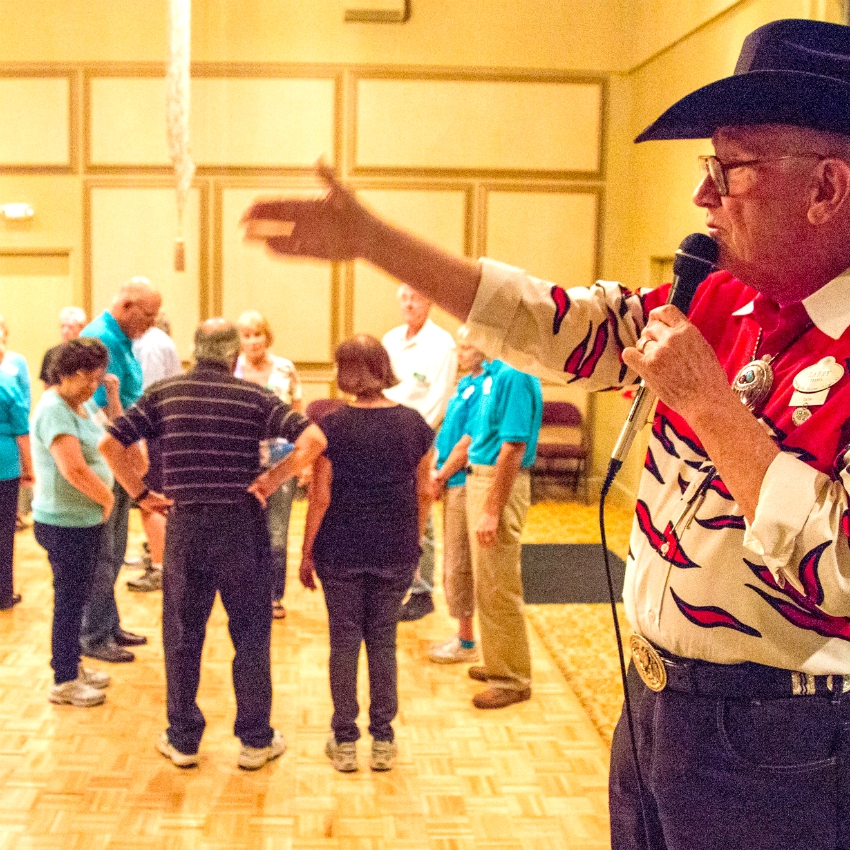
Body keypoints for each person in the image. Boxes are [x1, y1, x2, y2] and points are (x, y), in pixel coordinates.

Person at [242, 19, 850, 847]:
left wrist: (710, 405)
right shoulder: (719, 296)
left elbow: (841, 573)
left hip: (785, 740)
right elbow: (552, 322)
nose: (703, 197)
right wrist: (374, 242)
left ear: (827, 188)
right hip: (656, 705)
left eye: (729, 168)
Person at [99, 319, 326, 770]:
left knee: (183, 636)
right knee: (251, 636)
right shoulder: (256, 396)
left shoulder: (164, 393)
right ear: (231, 354)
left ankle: (183, 740)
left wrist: (140, 493)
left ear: (193, 350)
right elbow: (314, 439)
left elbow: (109, 443)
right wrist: (272, 478)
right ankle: (255, 741)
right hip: (242, 526)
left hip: (186, 529)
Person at [300, 335, 433, 773]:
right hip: (395, 547)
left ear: (343, 372)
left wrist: (306, 553)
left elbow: (320, 497)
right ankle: (382, 740)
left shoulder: (331, 427)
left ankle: (343, 740)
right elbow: (424, 492)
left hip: (339, 549)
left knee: (343, 643)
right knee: (383, 641)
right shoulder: (414, 424)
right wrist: (413, 543)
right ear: (384, 366)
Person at [433, 357, 542, 707]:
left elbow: (513, 447)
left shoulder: (515, 374)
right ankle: (498, 663)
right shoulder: (494, 374)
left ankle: (512, 680)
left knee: (499, 585)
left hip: (496, 485)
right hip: (478, 478)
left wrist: (492, 509)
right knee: (486, 583)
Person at [79, 276, 161, 663]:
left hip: (123, 457)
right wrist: (129, 452)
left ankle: (108, 625)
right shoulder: (102, 339)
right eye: (148, 314)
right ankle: (93, 635)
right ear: (127, 305)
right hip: (107, 461)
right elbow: (97, 413)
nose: (152, 323)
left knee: (114, 550)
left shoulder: (123, 338)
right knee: (103, 554)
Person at [31, 338, 117, 707]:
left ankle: (72, 664)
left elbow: (108, 440)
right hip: (63, 523)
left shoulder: (78, 405)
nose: (94, 385)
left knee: (78, 598)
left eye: (98, 378)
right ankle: (63, 679)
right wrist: (108, 498)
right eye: (89, 378)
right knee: (69, 601)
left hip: (82, 520)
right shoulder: (54, 408)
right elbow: (73, 469)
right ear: (68, 373)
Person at [382, 284, 457, 621]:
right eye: (405, 298)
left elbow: (439, 400)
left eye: (417, 298)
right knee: (391, 512)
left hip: (420, 439)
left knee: (420, 512)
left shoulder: (443, 345)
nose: (410, 304)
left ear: (430, 302)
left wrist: (409, 436)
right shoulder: (390, 339)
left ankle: (422, 590)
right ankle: (392, 583)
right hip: (387, 435)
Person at [235, 309, 304, 620]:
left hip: (281, 462)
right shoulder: (231, 371)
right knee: (245, 533)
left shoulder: (285, 369)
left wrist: (302, 462)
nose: (252, 341)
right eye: (246, 335)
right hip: (241, 463)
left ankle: (274, 596)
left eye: (257, 334)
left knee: (276, 533)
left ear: (267, 336)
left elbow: (298, 417)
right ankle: (247, 595)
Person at [428, 334, 487, 664]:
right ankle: (463, 634)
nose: (460, 353)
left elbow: (467, 442)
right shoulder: (467, 383)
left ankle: (467, 643)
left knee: (459, 562)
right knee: (453, 559)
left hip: (462, 480)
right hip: (449, 478)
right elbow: (449, 430)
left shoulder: (485, 388)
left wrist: (441, 474)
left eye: (466, 346)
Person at [126, 310, 183, 593]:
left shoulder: (149, 344)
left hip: (155, 434)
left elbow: (146, 396)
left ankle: (161, 568)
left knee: (152, 500)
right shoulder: (161, 341)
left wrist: (139, 442)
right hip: (166, 432)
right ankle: (158, 558)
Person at [0, 334, 33, 610]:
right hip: (5, 462)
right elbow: (22, 432)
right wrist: (29, 468)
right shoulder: (8, 384)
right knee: (4, 530)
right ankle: (3, 593)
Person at [40, 306, 88, 389]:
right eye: (62, 326)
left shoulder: (88, 355)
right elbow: (47, 386)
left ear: (82, 328)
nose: (65, 331)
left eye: (70, 327)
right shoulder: (51, 353)